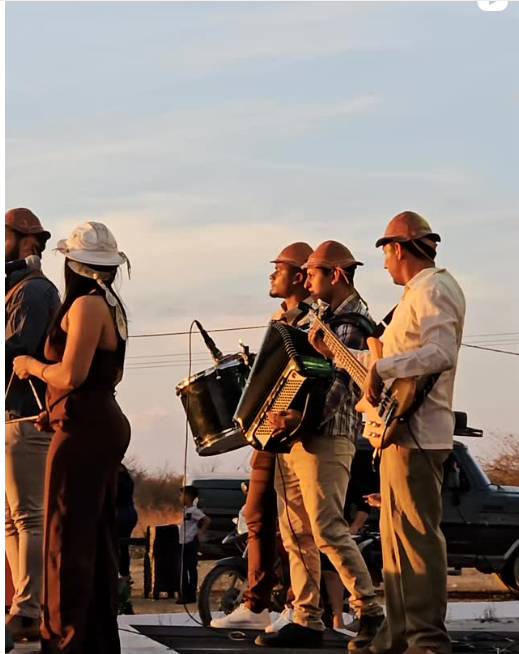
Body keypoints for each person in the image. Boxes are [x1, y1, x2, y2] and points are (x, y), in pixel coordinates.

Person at [257, 241, 384, 650]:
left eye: (314, 273)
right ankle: (306, 617)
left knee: (327, 529)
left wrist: (301, 417)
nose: (308, 281)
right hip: (298, 438)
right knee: (296, 532)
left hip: (327, 438)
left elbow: (341, 385)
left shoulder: (353, 323)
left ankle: (371, 611)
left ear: (337, 275)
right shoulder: (321, 318)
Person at [13, 221, 132, 654]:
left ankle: (66, 640)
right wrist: (57, 409)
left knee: (64, 537)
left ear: (72, 264)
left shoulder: (86, 305)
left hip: (86, 428)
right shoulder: (110, 304)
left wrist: (30, 365)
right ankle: (91, 638)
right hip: (91, 421)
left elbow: (72, 374)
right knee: (92, 536)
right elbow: (98, 377)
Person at [350, 212, 465, 654]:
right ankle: (397, 636)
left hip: (419, 433)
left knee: (416, 541)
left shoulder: (433, 288)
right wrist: (350, 359)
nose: (383, 265)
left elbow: (440, 352)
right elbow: (393, 366)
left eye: (384, 254)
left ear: (397, 248)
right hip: (400, 433)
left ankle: (427, 640)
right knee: (396, 545)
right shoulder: (416, 295)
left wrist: (381, 366)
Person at [211, 242, 314, 632]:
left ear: (300, 276)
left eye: (280, 268)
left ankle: (295, 605)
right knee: (256, 515)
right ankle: (256, 605)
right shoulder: (279, 318)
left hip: (295, 436)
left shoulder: (314, 320)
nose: (272, 274)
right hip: (267, 434)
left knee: (294, 525)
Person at [5, 208, 60, 642]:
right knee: (12, 520)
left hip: (27, 415)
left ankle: (30, 607)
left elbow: (15, 352)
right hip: (14, 416)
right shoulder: (20, 287)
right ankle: (23, 607)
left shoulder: (33, 290)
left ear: (25, 242)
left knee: (29, 517)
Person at [177, 485, 211, 604]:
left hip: (190, 543)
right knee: (183, 569)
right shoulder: (186, 511)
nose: (180, 498)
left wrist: (200, 532)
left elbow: (206, 520)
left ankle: (190, 595)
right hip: (183, 542)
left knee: (190, 569)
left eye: (181, 495)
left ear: (187, 497)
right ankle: (184, 593)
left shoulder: (194, 511)